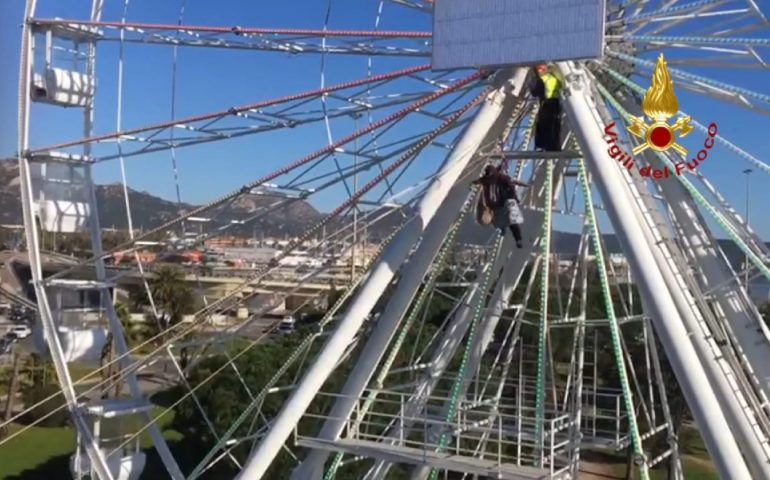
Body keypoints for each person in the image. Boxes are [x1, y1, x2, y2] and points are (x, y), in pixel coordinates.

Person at [472, 165, 530, 248]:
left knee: (510, 221)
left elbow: (512, 183)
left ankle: (516, 237)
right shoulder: (489, 179)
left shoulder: (498, 178)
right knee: (510, 221)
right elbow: (513, 182)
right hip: (498, 203)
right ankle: (513, 235)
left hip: (501, 202)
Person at [530, 64, 562, 151]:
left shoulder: (542, 78)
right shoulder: (554, 77)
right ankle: (554, 147)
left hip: (546, 104)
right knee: (553, 126)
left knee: (544, 126)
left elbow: (534, 92)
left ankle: (545, 146)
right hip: (555, 103)